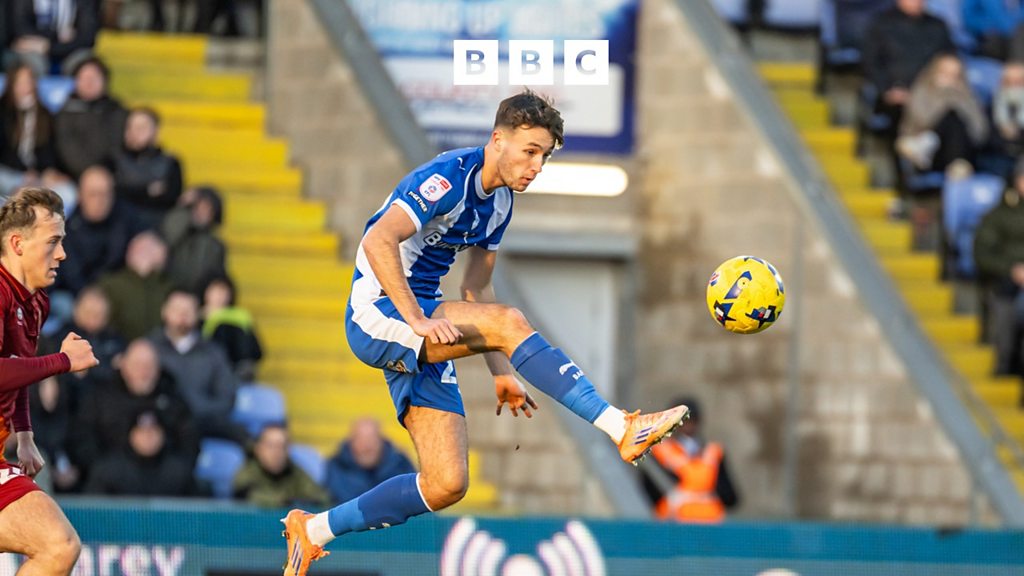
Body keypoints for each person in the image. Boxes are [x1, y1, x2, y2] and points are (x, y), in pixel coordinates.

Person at [280, 90, 689, 574]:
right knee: (511, 321)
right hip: (380, 313)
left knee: (446, 483)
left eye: (545, 156)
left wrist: (501, 371)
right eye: (530, 151)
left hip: (423, 322)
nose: (536, 166)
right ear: (498, 140)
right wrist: (417, 320)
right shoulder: (446, 178)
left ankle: (314, 530)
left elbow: (476, 289)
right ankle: (621, 427)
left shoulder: (500, 204)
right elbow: (377, 239)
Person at [0, 187, 98, 574]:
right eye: (53, 241)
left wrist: (24, 435)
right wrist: (62, 361)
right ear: (17, 243)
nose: (62, 254)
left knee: (59, 546)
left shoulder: (35, 301)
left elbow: (16, 367)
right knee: (58, 544)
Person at [69, 337, 198, 483]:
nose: (144, 372)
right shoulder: (100, 398)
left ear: (158, 369)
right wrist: (103, 470)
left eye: (149, 366)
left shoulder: (173, 398)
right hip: (110, 483)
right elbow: (83, 438)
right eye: (137, 365)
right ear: (123, 365)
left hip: (165, 484)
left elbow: (189, 442)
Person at [148, 289, 241, 440]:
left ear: (198, 314)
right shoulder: (148, 349)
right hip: (158, 427)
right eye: (177, 309)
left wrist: (196, 412)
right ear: (164, 311)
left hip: (204, 424)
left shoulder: (214, 353)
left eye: (188, 311)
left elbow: (226, 397)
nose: (182, 315)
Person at [641, 398, 740, 523]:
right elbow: (648, 492)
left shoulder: (713, 453)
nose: (687, 426)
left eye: (691, 421)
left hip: (710, 524)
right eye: (683, 422)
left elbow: (730, 497)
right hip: (674, 524)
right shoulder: (660, 452)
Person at [974, 157, 1024, 383]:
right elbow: (983, 254)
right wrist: (1011, 271)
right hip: (1007, 285)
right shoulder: (998, 216)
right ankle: (1006, 364)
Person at [896, 54, 988, 176]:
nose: (949, 78)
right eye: (945, 73)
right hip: (929, 156)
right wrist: (943, 95)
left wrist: (954, 95)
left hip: (961, 152)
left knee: (954, 117)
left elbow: (979, 130)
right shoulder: (921, 92)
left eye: (954, 75)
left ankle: (956, 162)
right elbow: (921, 121)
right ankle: (925, 145)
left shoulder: (968, 97)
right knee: (949, 116)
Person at [0, 62, 74, 206]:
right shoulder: (3, 112)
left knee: (68, 192)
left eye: (29, 81)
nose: (25, 87)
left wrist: (46, 171)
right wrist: (23, 176)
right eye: (20, 82)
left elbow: (48, 151)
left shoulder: (44, 115)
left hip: (36, 178)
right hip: (8, 173)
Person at [82, 409, 197, 497]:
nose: (148, 437)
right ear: (130, 435)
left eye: (153, 431)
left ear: (163, 435)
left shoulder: (180, 470)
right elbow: (93, 509)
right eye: (142, 432)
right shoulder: (108, 470)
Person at [54, 56, 128, 180]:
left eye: (94, 78)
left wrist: (100, 173)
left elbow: (117, 148)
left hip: (108, 176)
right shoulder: (65, 112)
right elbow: (65, 148)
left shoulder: (117, 111)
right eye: (84, 78)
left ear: (105, 81)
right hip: (70, 176)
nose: (89, 83)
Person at [112, 107, 183, 229]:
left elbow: (171, 198)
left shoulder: (171, 163)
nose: (134, 132)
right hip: (120, 224)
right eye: (130, 127)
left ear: (155, 130)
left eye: (141, 128)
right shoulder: (112, 161)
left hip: (158, 225)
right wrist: (147, 190)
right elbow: (114, 193)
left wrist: (130, 189)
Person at [97, 230, 173, 340]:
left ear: (163, 254)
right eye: (137, 248)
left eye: (149, 249)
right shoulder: (109, 284)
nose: (142, 252)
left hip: (162, 347)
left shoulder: (171, 289)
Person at [233, 423, 330, 509]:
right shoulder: (247, 472)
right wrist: (285, 503)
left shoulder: (294, 472)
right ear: (258, 448)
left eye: (282, 446)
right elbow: (245, 497)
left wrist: (303, 503)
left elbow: (321, 498)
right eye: (271, 446)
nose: (277, 453)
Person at [325, 417, 415, 505]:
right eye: (361, 440)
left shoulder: (401, 465)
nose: (367, 447)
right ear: (351, 442)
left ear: (381, 442)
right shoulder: (336, 467)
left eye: (372, 440)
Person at [161, 186, 226, 296]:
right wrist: (182, 205)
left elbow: (216, 278)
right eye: (198, 207)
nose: (202, 213)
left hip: (198, 298)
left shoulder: (216, 246)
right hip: (170, 295)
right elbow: (170, 231)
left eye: (207, 209)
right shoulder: (179, 232)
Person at [6, 0, 99, 75]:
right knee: (34, 63)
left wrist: (48, 47)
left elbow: (87, 37)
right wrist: (57, 34)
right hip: (34, 49)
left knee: (85, 64)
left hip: (69, 50)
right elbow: (20, 29)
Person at [202, 275, 262, 381]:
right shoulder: (195, 318)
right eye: (216, 291)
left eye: (223, 292)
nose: (219, 296)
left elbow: (257, 351)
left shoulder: (240, 317)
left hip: (235, 371)